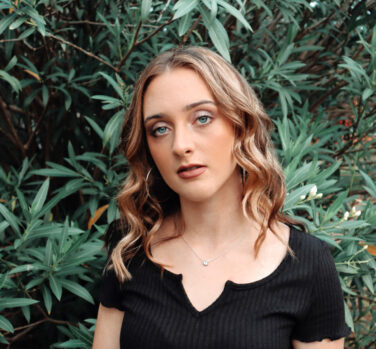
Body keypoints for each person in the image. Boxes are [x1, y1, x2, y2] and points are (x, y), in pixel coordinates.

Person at [92, 46, 351, 349]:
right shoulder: (131, 249)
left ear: (240, 124)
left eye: (202, 118)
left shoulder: (307, 264)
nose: (181, 145)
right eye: (160, 129)